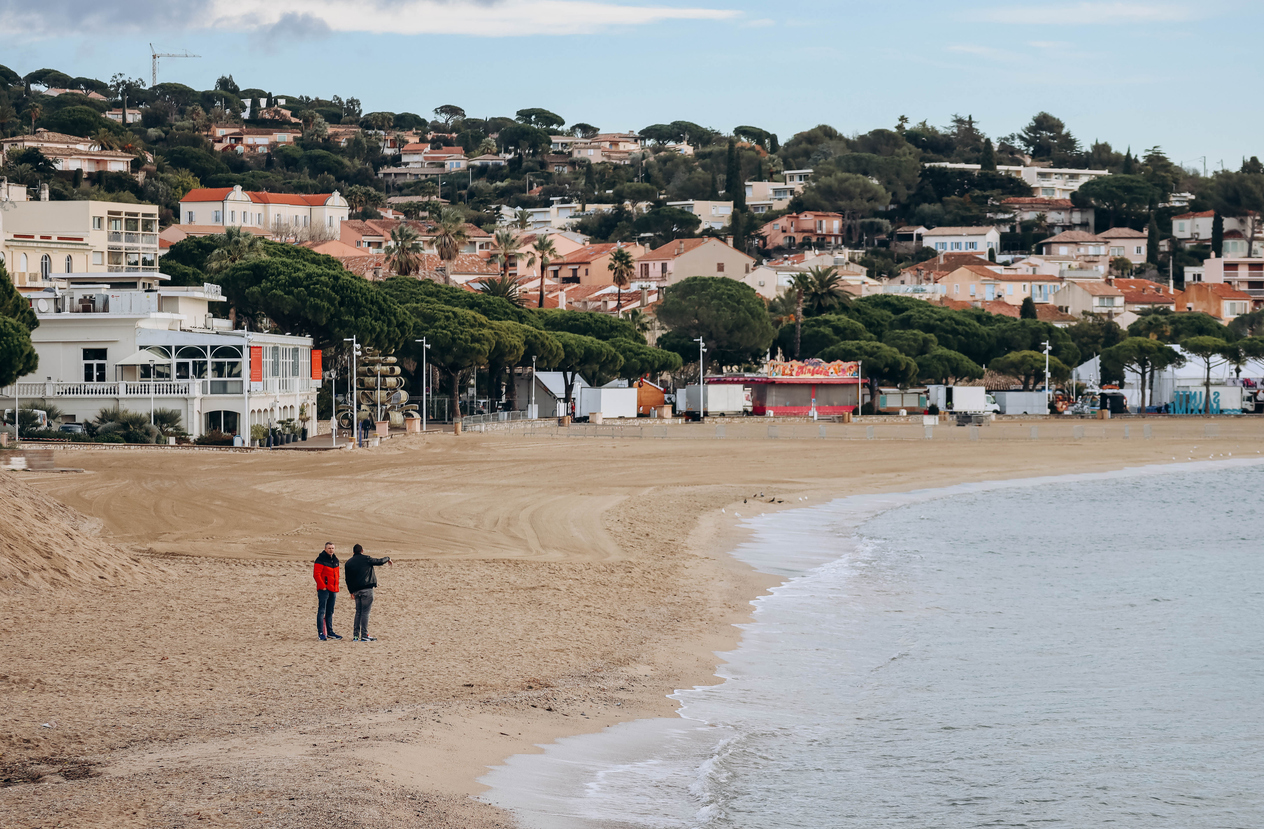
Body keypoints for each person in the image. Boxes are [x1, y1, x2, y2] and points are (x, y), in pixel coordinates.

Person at [344, 543, 392, 642]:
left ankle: (356, 636)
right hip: (366, 589)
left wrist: (351, 591)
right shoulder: (366, 559)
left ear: (353, 552)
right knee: (365, 613)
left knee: (358, 612)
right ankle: (365, 635)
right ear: (362, 551)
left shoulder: (348, 562)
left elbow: (347, 579)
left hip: (356, 590)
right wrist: (388, 558)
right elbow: (379, 561)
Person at [313, 542, 342, 641]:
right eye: (329, 548)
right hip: (324, 589)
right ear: (325, 549)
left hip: (333, 589)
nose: (331, 550)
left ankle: (330, 632)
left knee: (330, 611)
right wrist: (323, 586)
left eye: (333, 548)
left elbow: (336, 575)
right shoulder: (320, 559)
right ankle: (321, 632)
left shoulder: (335, 559)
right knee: (322, 610)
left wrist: (336, 587)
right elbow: (316, 574)